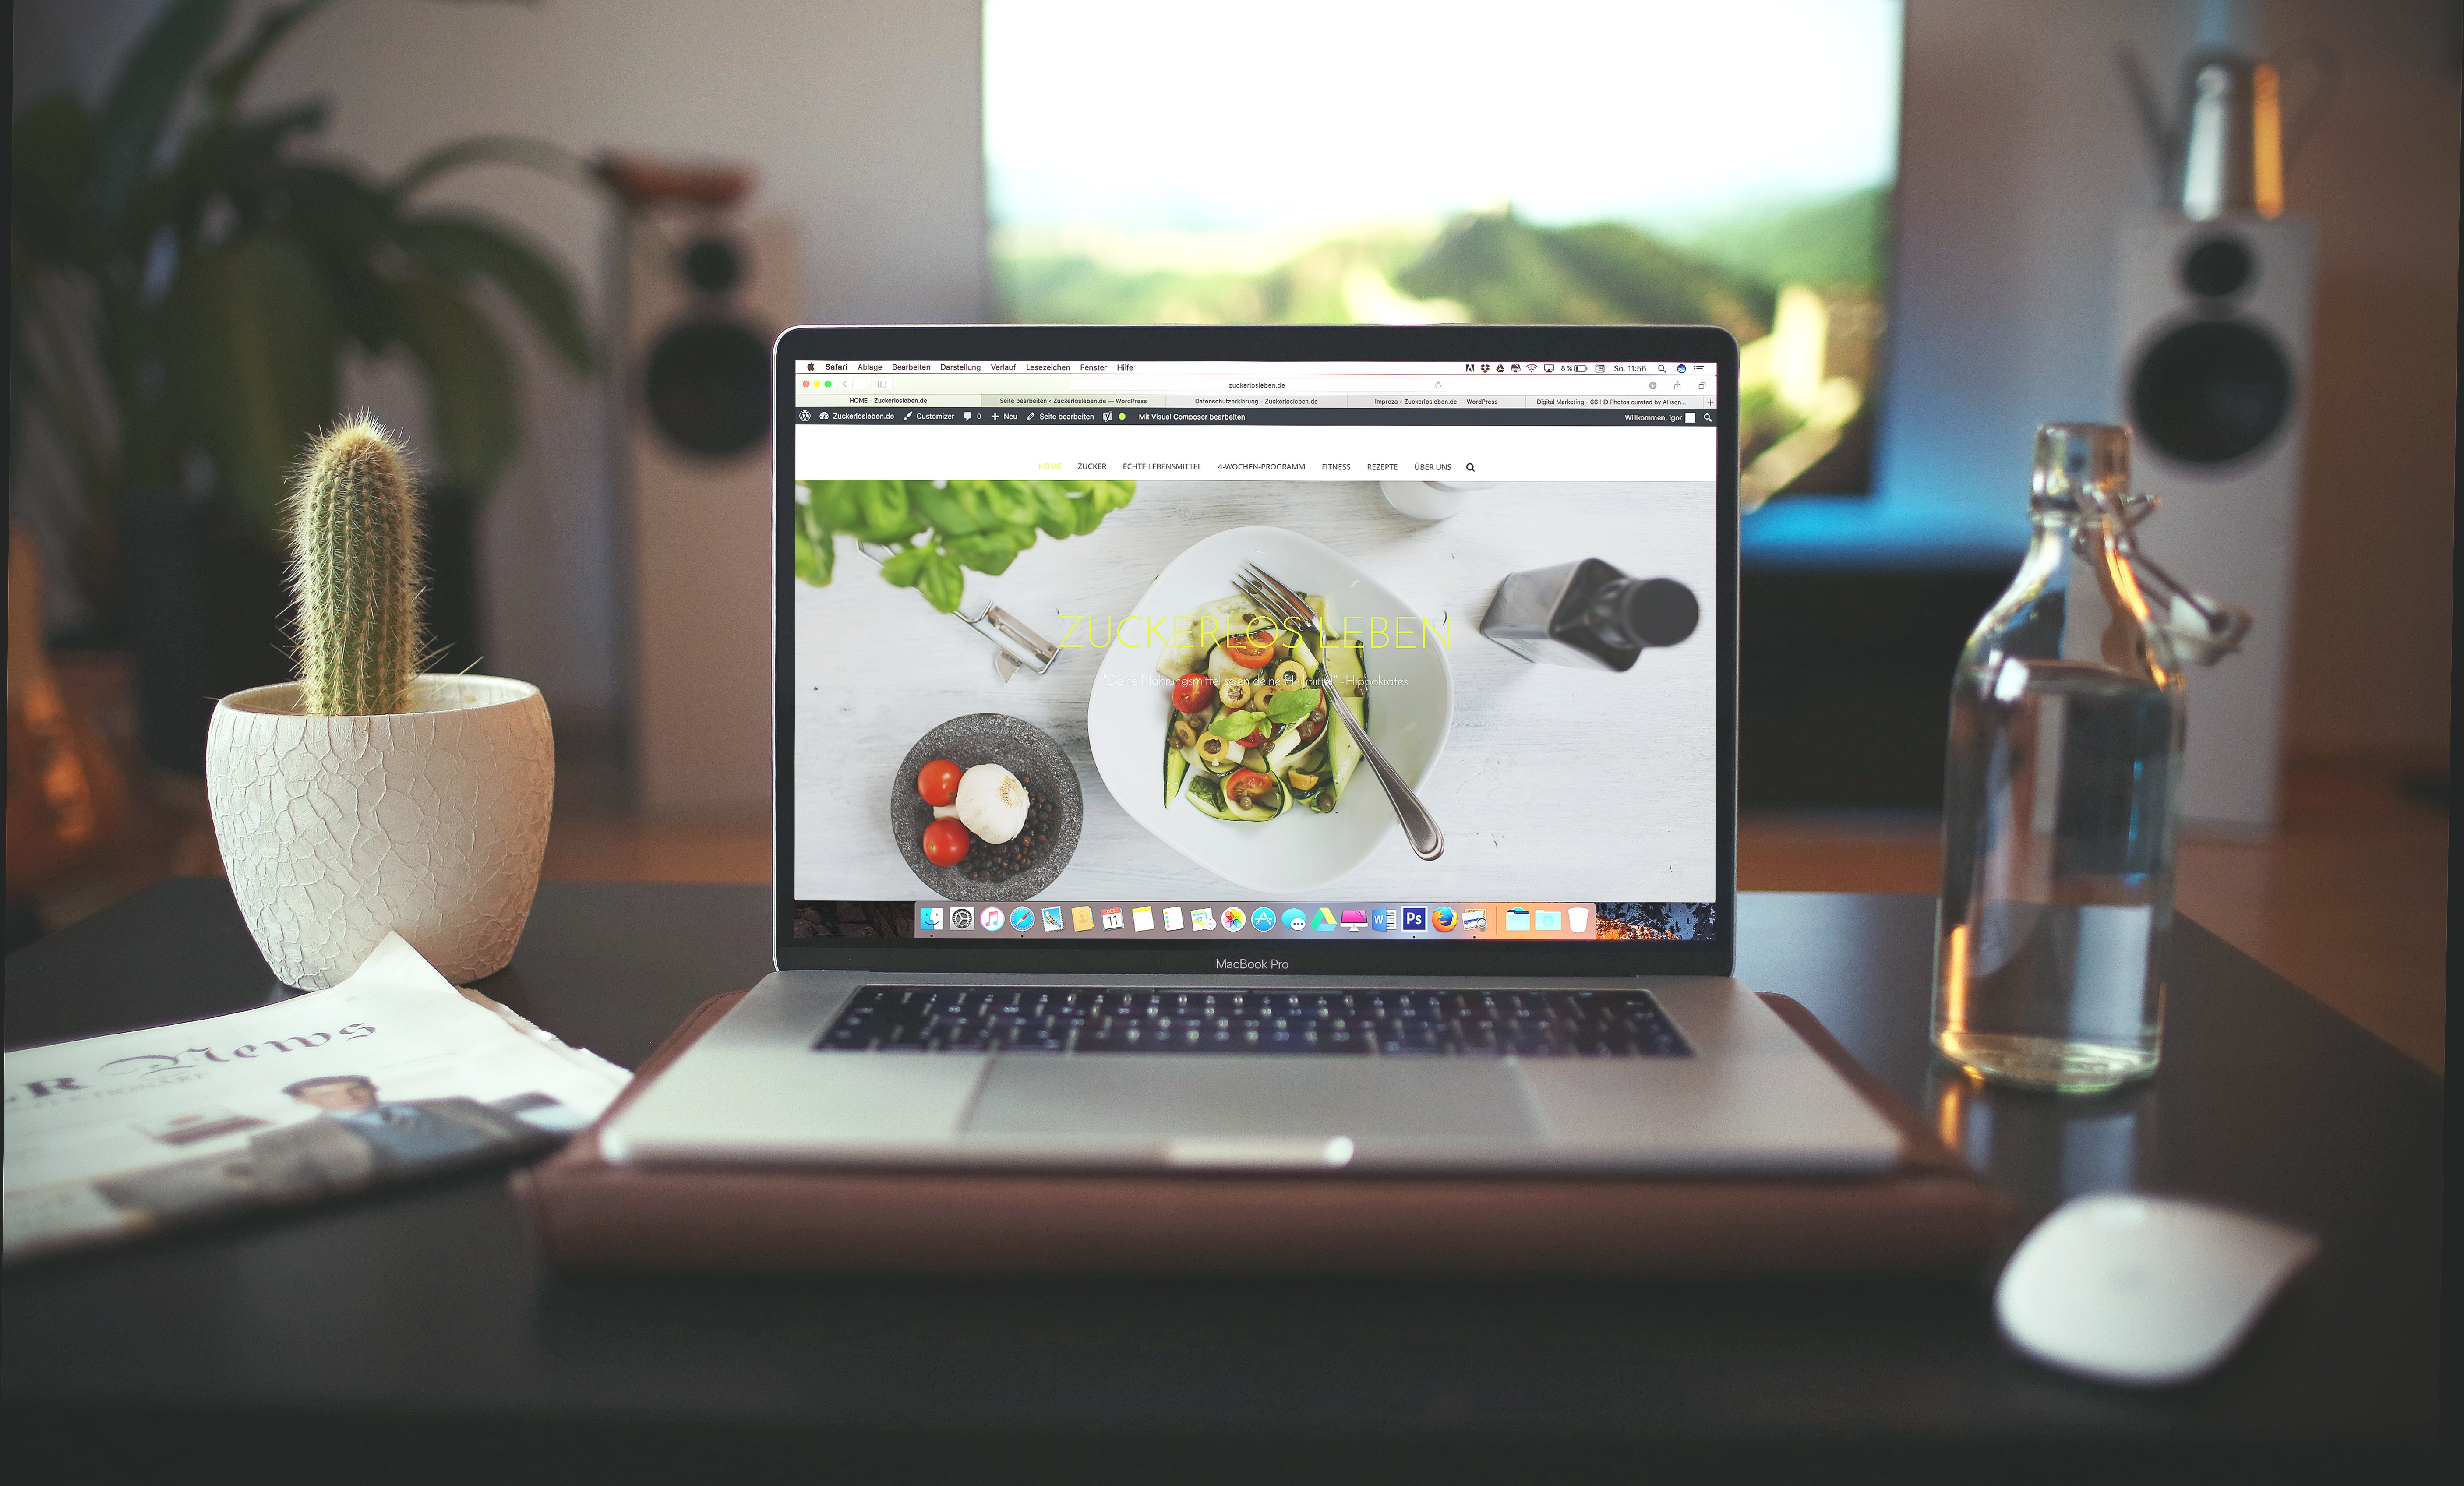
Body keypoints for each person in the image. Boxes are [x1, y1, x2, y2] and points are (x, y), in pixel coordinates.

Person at [247, 1075, 538, 1197]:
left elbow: (531, 1136)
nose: (348, 1098)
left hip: (520, 1182)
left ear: (373, 1087)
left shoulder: (454, 1103)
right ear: (303, 1100)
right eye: (328, 1094)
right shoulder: (281, 1142)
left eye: (355, 1088)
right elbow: (286, 1196)